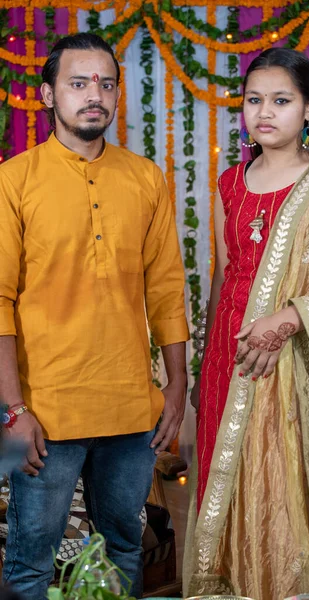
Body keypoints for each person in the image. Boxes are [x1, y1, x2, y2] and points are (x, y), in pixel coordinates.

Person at [0, 32, 189, 600]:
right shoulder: (15, 180)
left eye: (106, 84)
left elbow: (166, 286)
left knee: (120, 550)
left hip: (131, 409)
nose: (95, 96)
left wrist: (177, 384)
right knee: (30, 564)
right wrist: (11, 410)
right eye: (78, 83)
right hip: (43, 412)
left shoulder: (145, 178)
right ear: (48, 94)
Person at [183, 48, 309, 600]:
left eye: (281, 100)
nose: (264, 112)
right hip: (231, 357)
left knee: (280, 488)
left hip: (295, 366)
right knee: (231, 485)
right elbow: (224, 276)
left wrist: (293, 317)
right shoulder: (231, 183)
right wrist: (206, 365)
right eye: (254, 100)